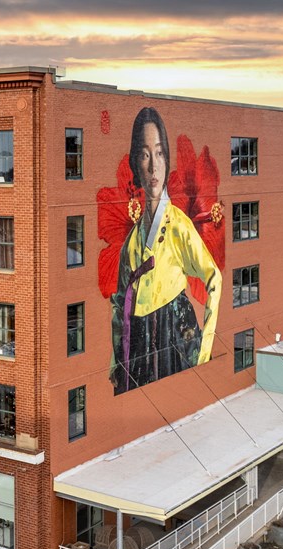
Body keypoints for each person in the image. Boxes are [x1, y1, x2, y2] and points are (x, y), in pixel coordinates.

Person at [110, 107, 221, 394]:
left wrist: (204, 348)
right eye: (145, 154)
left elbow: (214, 280)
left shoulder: (179, 227)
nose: (153, 166)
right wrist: (115, 364)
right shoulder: (131, 244)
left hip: (174, 334)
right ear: (136, 163)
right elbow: (118, 303)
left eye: (159, 153)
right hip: (138, 343)